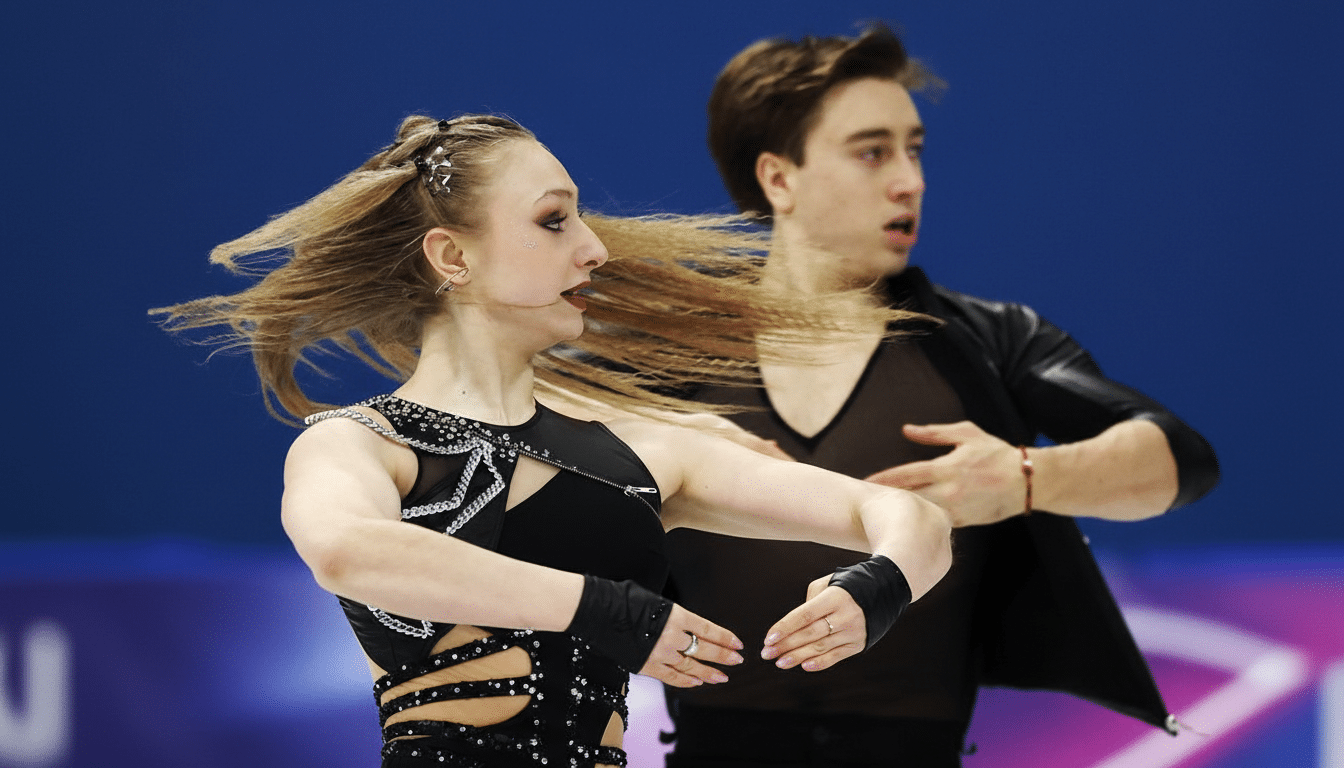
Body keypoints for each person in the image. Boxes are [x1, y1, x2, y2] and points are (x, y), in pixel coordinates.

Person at [153, 114, 952, 768]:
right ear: (452, 256)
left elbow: (910, 519)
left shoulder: (647, 450)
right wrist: (601, 608)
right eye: (553, 219)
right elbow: (349, 553)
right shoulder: (357, 444)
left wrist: (876, 588)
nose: (594, 248)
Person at [660, 24, 1221, 767]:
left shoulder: (986, 343)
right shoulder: (665, 357)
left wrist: (1030, 477)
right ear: (779, 178)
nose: (910, 180)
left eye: (914, 150)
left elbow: (1184, 460)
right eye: (872, 152)